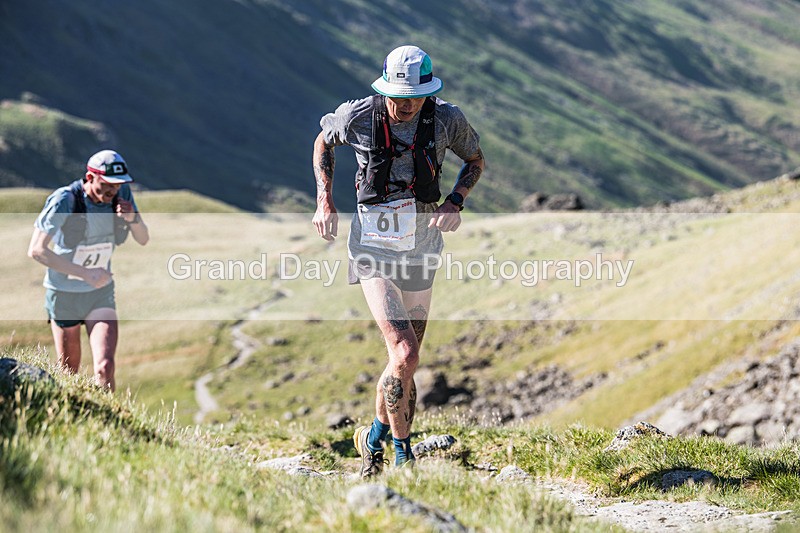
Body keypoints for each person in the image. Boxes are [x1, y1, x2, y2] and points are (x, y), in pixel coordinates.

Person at [312, 45, 484, 477]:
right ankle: (403, 456)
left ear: (428, 91)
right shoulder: (357, 116)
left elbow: (475, 161)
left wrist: (456, 202)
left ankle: (371, 439)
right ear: (383, 86)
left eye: (414, 96)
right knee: (404, 353)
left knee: (404, 362)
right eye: (396, 95)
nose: (404, 104)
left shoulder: (447, 119)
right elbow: (322, 140)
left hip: (422, 246)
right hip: (371, 248)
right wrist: (324, 198)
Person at [28, 149, 149, 391]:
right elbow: (37, 250)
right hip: (64, 293)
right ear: (90, 176)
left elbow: (143, 238)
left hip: (99, 292)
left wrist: (132, 217)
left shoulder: (121, 195)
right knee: (69, 373)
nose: (112, 190)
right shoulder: (64, 200)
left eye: (117, 185)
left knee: (105, 366)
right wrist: (85, 273)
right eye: (106, 184)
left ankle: (111, 426)